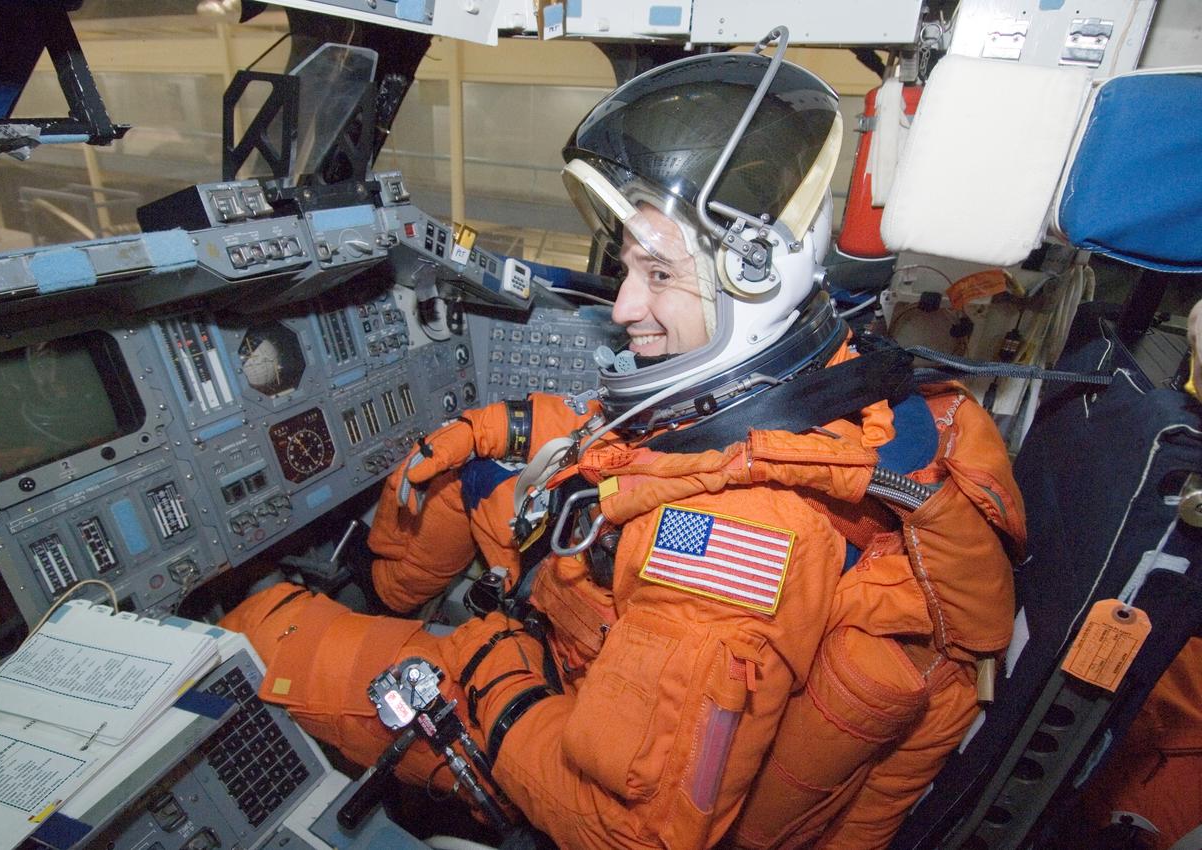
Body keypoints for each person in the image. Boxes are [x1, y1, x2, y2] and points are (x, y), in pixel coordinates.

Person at [222, 48, 1024, 850]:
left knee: (260, 630)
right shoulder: (831, 382)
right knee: (459, 469)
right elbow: (665, 452)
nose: (626, 305)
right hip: (607, 607)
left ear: (755, 285)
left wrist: (490, 674)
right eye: (628, 266)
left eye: (658, 274)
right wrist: (504, 428)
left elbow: (636, 833)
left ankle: (306, 627)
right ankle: (376, 590)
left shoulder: (738, 549)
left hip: (567, 706)